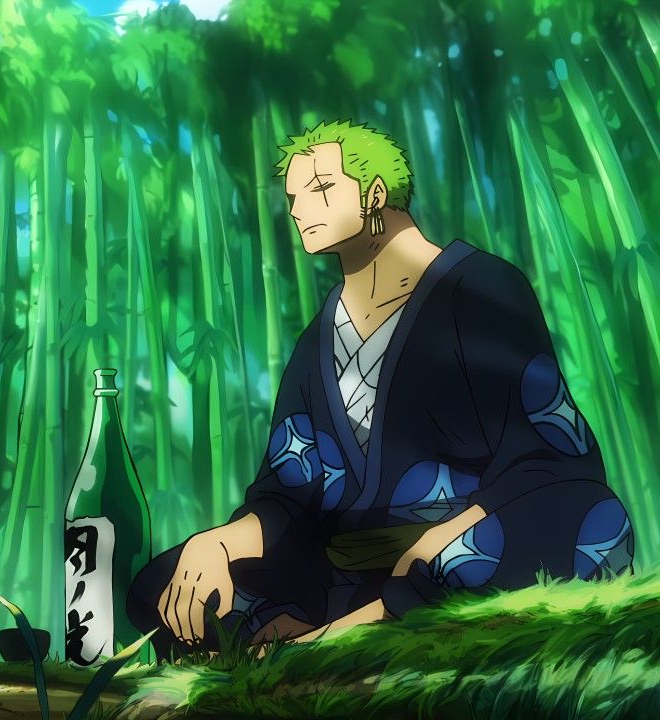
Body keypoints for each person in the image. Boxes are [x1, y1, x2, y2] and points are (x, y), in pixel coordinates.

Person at [126, 119, 635, 660]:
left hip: (464, 544)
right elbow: (288, 495)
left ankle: (325, 641)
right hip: (346, 570)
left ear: (374, 195)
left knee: (564, 521)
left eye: (321, 189)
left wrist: (451, 533)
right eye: (294, 197)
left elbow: (550, 459)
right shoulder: (315, 341)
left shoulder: (481, 289)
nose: (299, 209)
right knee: (159, 584)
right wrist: (220, 544)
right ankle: (316, 628)